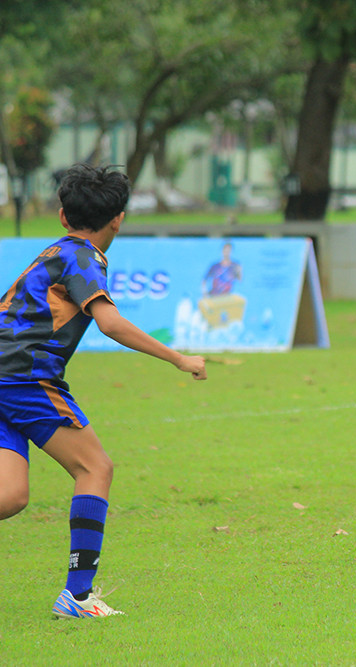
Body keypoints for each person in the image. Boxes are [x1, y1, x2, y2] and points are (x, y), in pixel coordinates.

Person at [0, 163, 208, 618]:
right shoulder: (82, 257)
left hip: (6, 377)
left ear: (62, 215)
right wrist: (179, 358)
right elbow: (110, 324)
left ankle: (76, 597)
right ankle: (77, 597)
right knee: (96, 467)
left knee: (10, 496)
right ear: (118, 219)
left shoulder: (54, 251)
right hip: (23, 379)